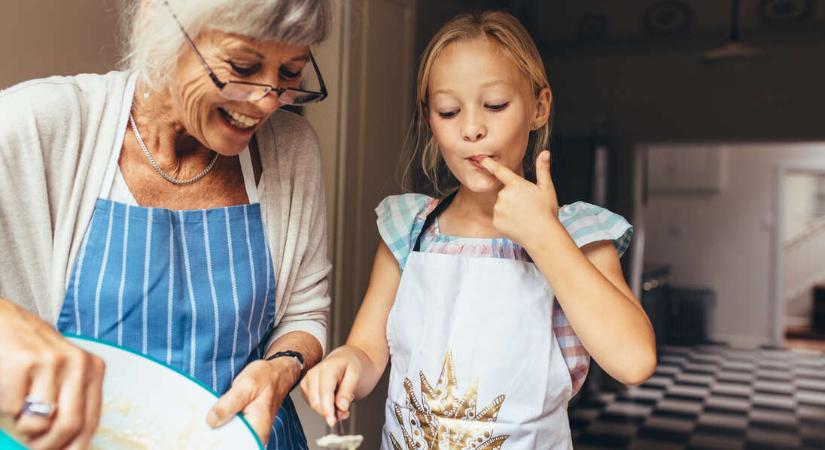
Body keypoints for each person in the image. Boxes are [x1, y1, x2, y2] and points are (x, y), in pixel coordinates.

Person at [300, 11, 657, 449]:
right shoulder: (408, 229)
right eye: (449, 111)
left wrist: (545, 238)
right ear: (430, 120)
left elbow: (634, 361)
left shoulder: (579, 234)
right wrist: (347, 364)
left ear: (539, 107)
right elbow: (369, 351)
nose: (471, 129)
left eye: (494, 106)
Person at [0, 1, 332, 448]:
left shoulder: (293, 150)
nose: (267, 99)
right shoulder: (39, 124)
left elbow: (306, 311)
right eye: (243, 65)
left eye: (290, 73)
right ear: (163, 28)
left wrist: (284, 365)